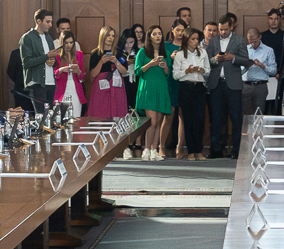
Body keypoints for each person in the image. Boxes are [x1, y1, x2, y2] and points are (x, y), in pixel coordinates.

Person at [206, 17, 245, 157]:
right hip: (216, 83)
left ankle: (237, 150)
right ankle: (216, 150)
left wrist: (232, 58)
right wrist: (215, 59)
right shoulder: (213, 40)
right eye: (220, 29)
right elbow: (206, 60)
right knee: (216, 118)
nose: (222, 32)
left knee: (236, 118)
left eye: (225, 29)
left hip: (233, 84)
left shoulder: (239, 40)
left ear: (232, 27)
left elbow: (246, 60)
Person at [134, 25, 174, 158]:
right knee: (152, 121)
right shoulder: (143, 51)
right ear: (149, 37)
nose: (158, 36)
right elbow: (137, 71)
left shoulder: (166, 52)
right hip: (148, 88)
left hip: (161, 88)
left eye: (159, 34)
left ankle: (154, 150)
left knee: (159, 121)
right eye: (155, 34)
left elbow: (168, 73)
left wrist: (164, 67)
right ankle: (146, 149)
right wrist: (150, 64)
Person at [172, 27, 210, 160]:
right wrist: (187, 71)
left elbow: (208, 70)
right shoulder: (179, 54)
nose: (195, 42)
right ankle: (191, 151)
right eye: (193, 39)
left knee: (200, 119)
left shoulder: (203, 53)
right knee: (188, 120)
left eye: (197, 39)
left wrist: (202, 70)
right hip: (185, 87)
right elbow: (175, 75)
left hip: (199, 87)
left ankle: (199, 150)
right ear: (187, 40)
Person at [86, 27, 131, 120]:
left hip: (116, 85)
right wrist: (101, 62)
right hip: (101, 86)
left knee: (117, 112)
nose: (110, 38)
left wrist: (116, 62)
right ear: (103, 36)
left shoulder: (119, 52)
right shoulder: (95, 53)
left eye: (112, 36)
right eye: (108, 35)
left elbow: (124, 71)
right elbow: (93, 74)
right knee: (101, 112)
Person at [17, 9, 55, 112]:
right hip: (37, 82)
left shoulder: (48, 38)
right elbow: (26, 62)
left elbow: (52, 58)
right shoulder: (27, 38)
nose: (50, 25)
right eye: (47, 22)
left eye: (51, 22)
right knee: (41, 115)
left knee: (50, 115)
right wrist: (46, 57)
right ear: (39, 21)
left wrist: (53, 61)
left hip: (51, 82)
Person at [52, 17, 86, 118]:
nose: (69, 45)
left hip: (75, 89)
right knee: (61, 117)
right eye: (66, 43)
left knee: (76, 116)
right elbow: (53, 74)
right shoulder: (57, 56)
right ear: (62, 43)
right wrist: (62, 70)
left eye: (71, 43)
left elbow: (83, 76)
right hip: (61, 89)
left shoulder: (79, 54)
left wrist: (78, 71)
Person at [241, 27, 275, 118]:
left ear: (260, 37)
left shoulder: (268, 51)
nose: (252, 44)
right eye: (250, 41)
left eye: (255, 41)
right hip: (246, 85)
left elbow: (274, 71)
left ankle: (258, 128)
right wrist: (247, 65)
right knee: (244, 115)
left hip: (261, 86)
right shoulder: (244, 50)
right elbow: (238, 71)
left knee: (259, 115)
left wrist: (263, 66)